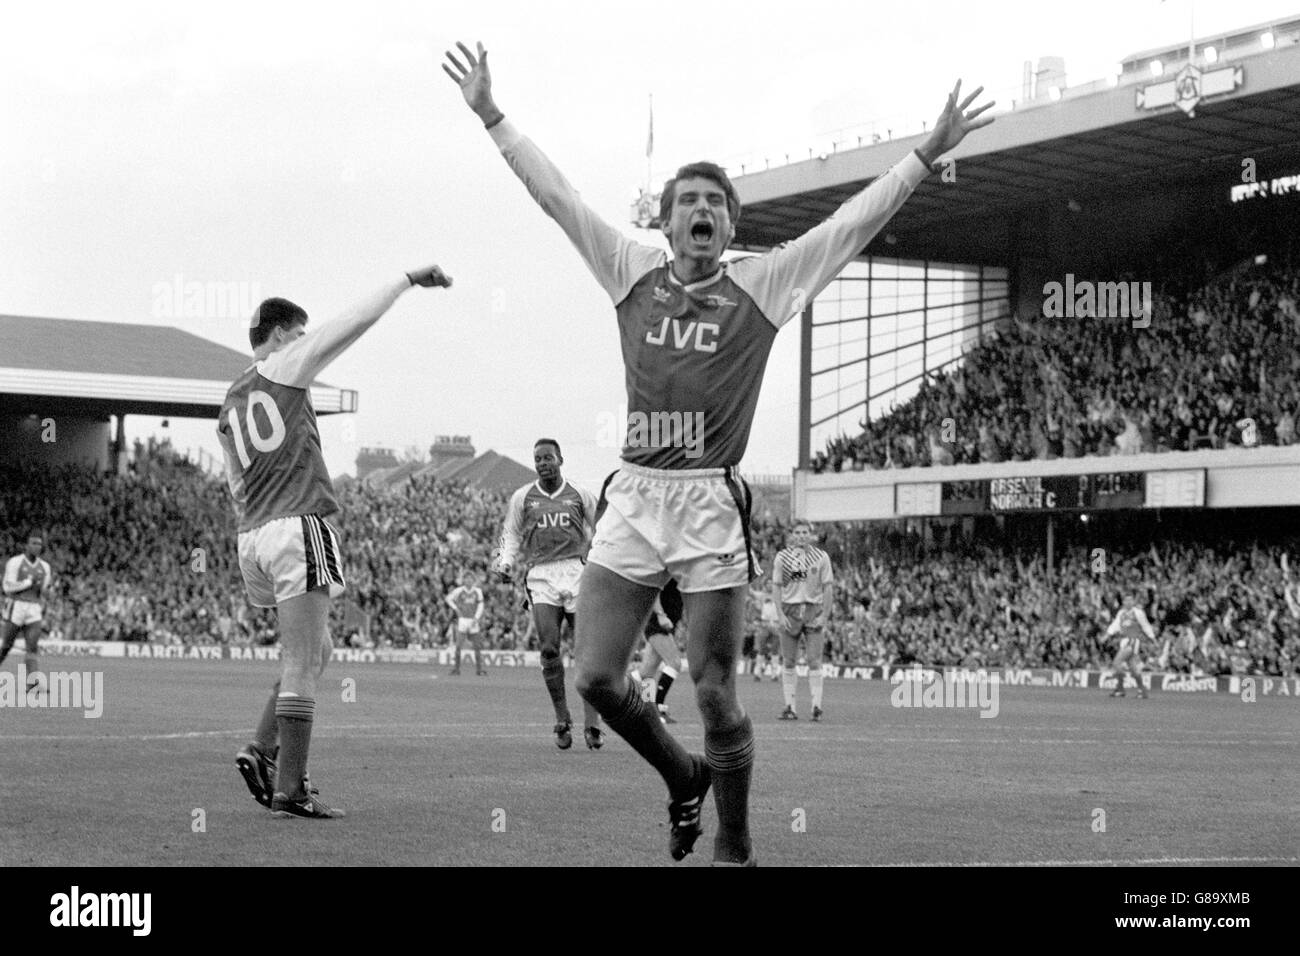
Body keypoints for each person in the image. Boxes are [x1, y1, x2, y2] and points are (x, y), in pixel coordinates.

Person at [444, 39, 991, 865]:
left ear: (732, 224)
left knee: (713, 690)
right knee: (594, 676)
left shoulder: (763, 282)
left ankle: (734, 842)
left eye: (715, 202)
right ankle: (683, 778)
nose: (701, 210)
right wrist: (492, 116)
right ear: (665, 222)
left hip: (709, 502)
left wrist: (923, 155)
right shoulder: (630, 268)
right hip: (632, 495)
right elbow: (558, 199)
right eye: (686, 200)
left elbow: (850, 226)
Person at [225, 265, 453, 819]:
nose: (306, 342)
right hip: (296, 523)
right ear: (280, 335)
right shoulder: (284, 366)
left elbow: (234, 481)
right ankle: (290, 788)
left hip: (252, 532)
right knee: (304, 659)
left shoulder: (231, 397)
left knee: (317, 650)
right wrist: (403, 282)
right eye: (298, 333)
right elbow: (349, 325)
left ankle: (262, 748)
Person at [494, 438, 604, 750]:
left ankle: (592, 722)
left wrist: (602, 562)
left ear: (560, 459)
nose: (542, 463)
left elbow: (601, 529)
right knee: (549, 648)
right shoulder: (523, 497)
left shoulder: (580, 495)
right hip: (541, 575)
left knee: (586, 652)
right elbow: (511, 533)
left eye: (548, 458)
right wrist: (505, 562)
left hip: (576, 573)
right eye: (538, 459)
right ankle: (561, 718)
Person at [771, 521, 835, 721]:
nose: (801, 536)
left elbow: (828, 587)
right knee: (789, 660)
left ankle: (816, 706)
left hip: (812, 609)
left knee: (814, 660)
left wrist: (824, 616)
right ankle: (790, 706)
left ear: (811, 535)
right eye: (797, 532)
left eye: (805, 532)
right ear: (791, 535)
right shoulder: (782, 557)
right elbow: (776, 586)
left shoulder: (821, 557)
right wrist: (780, 614)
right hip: (790, 610)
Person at [0, 532, 54, 692]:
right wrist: (27, 583)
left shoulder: (45, 567)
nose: (37, 546)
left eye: (39, 544)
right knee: (6, 646)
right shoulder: (15, 562)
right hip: (16, 606)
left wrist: (48, 593)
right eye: (34, 543)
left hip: (33, 608)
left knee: (32, 647)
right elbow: (7, 587)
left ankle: (33, 683)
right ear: (27, 545)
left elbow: (44, 589)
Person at [635, 580, 685, 724]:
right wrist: (661, 615)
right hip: (657, 623)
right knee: (674, 663)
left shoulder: (678, 568)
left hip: (665, 624)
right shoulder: (666, 567)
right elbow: (654, 591)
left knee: (646, 673)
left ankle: (646, 710)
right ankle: (657, 707)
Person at [1106, 592, 1154, 699]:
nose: (1128, 602)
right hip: (1125, 642)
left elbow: (1145, 625)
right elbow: (1115, 625)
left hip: (1133, 641)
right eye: (1126, 600)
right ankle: (1142, 690)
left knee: (1117, 662)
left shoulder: (1138, 613)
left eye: (1130, 600)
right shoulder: (1121, 613)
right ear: (1123, 602)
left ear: (1133, 602)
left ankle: (1120, 689)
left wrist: (1152, 637)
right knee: (1133, 668)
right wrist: (1108, 634)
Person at [445, 570, 487, 676]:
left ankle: (479, 669)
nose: (468, 580)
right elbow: (448, 599)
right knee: (458, 646)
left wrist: (477, 618)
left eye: (470, 578)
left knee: (477, 646)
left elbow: (481, 606)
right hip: (463, 620)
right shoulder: (459, 591)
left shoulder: (478, 591)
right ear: (463, 580)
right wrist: (456, 609)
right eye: (466, 578)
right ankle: (456, 669)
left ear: (473, 580)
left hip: (473, 621)